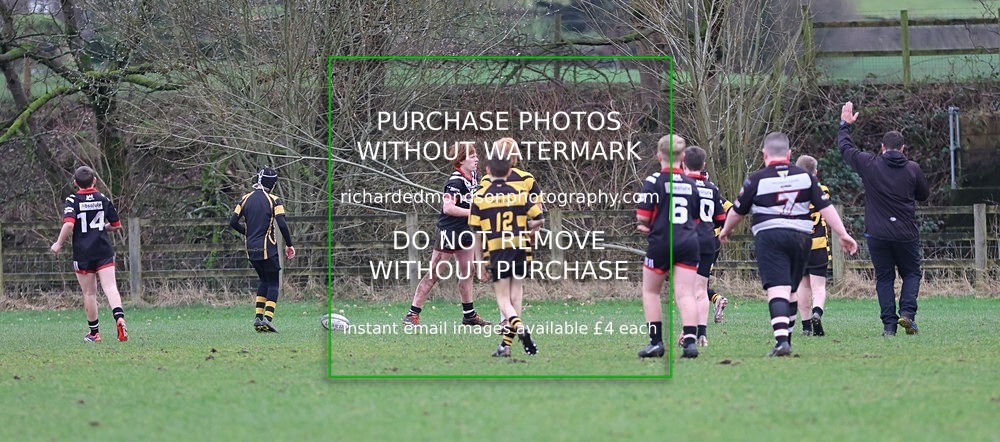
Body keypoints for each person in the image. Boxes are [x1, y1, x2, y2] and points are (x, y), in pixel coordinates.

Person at [719, 132, 858, 357]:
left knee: (778, 289)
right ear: (789, 154)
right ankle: (788, 339)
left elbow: (737, 211)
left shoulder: (756, 179)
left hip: (770, 236)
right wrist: (842, 233)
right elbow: (826, 207)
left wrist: (726, 230)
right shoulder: (806, 178)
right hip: (802, 238)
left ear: (764, 154)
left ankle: (782, 340)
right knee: (792, 290)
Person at [838, 102, 930, 336]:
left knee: (884, 278)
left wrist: (844, 126)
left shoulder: (870, 164)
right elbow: (923, 195)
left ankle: (889, 326)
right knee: (911, 273)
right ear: (903, 148)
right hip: (905, 233)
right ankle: (907, 314)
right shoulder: (912, 169)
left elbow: (846, 149)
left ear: (882, 148)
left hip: (877, 233)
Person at [402, 141, 491, 327]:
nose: (477, 158)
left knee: (468, 272)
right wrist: (474, 213)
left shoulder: (474, 176)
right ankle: (412, 314)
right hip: (449, 232)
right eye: (472, 156)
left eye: (476, 155)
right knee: (435, 274)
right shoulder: (455, 181)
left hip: (465, 230)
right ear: (461, 160)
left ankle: (469, 316)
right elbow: (448, 207)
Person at [469, 151, 544, 357]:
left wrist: (479, 263)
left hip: (498, 251)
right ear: (510, 170)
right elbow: (539, 218)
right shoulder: (519, 193)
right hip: (520, 249)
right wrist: (528, 229)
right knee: (516, 297)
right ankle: (505, 345)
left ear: (487, 171)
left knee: (503, 299)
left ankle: (520, 328)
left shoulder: (480, 197)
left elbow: (476, 233)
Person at [636, 135, 701, 358]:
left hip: (662, 241)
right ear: (683, 157)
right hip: (689, 242)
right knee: (685, 293)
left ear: (658, 156)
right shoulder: (691, 184)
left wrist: (647, 226)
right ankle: (690, 342)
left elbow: (643, 216)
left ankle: (656, 342)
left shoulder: (653, 182)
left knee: (651, 291)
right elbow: (696, 219)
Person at [50, 166, 129, 343]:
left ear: (75, 183)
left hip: (84, 253)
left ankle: (94, 333)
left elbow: (69, 225)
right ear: (95, 181)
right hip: (103, 249)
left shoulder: (73, 199)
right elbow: (116, 224)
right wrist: (102, 227)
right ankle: (119, 318)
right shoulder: (103, 198)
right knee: (110, 287)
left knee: (89, 293)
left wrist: (58, 243)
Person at [229, 166, 296, 333]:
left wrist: (248, 233)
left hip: (251, 249)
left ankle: (258, 318)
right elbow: (281, 223)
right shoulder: (274, 200)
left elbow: (232, 222)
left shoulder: (245, 198)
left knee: (263, 281)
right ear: (272, 183)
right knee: (273, 282)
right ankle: (267, 319)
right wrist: (289, 244)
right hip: (268, 248)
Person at [682, 146, 728, 346]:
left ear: (683, 163)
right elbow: (720, 219)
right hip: (708, 241)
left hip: (685, 241)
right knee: (701, 289)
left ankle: (688, 332)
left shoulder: (678, 185)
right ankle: (702, 334)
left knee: (685, 291)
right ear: (704, 165)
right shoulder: (712, 188)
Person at [793, 155, 832, 336]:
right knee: (818, 286)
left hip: (799, 246)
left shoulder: (791, 191)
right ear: (815, 172)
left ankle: (806, 325)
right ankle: (818, 311)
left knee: (803, 286)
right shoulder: (822, 189)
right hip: (818, 244)